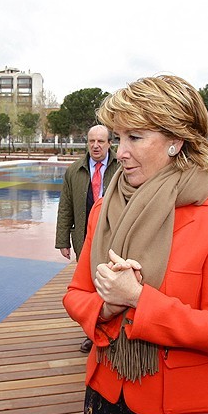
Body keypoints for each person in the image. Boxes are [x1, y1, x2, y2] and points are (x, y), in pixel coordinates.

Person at [63, 75, 208, 414]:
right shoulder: (102, 210)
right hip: (105, 400)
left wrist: (138, 299)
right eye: (119, 138)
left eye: (135, 137)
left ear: (176, 141)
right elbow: (75, 294)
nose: (120, 151)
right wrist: (105, 309)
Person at [56, 124, 120, 353]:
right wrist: (63, 240)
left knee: (112, 284)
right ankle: (92, 334)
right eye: (92, 141)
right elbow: (65, 207)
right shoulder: (74, 171)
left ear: (109, 143)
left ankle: (116, 331)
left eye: (101, 141)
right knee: (90, 287)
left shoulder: (122, 167)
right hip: (85, 238)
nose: (95, 145)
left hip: (116, 238)